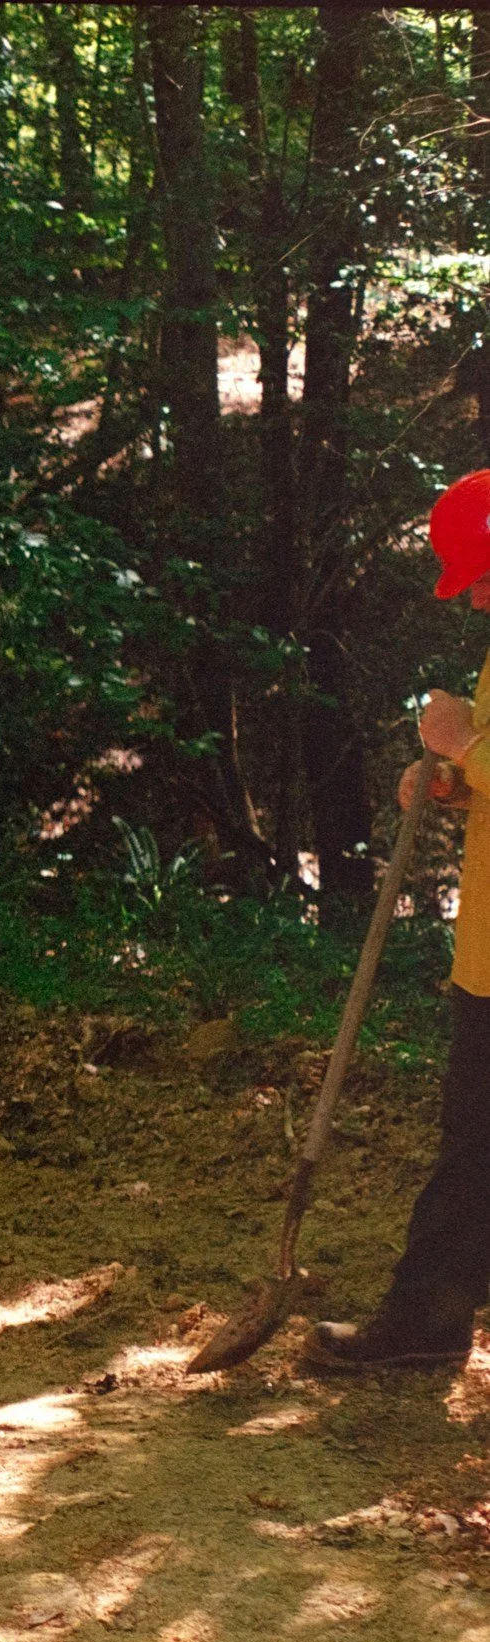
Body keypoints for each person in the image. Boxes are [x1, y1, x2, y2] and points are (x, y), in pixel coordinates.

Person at [302, 469, 490, 1375]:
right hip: (486, 954)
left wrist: (466, 744)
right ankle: (432, 1318)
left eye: (481, 579)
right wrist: (454, 782)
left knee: (473, 1149)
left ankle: (425, 1317)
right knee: (472, 1145)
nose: (475, 599)